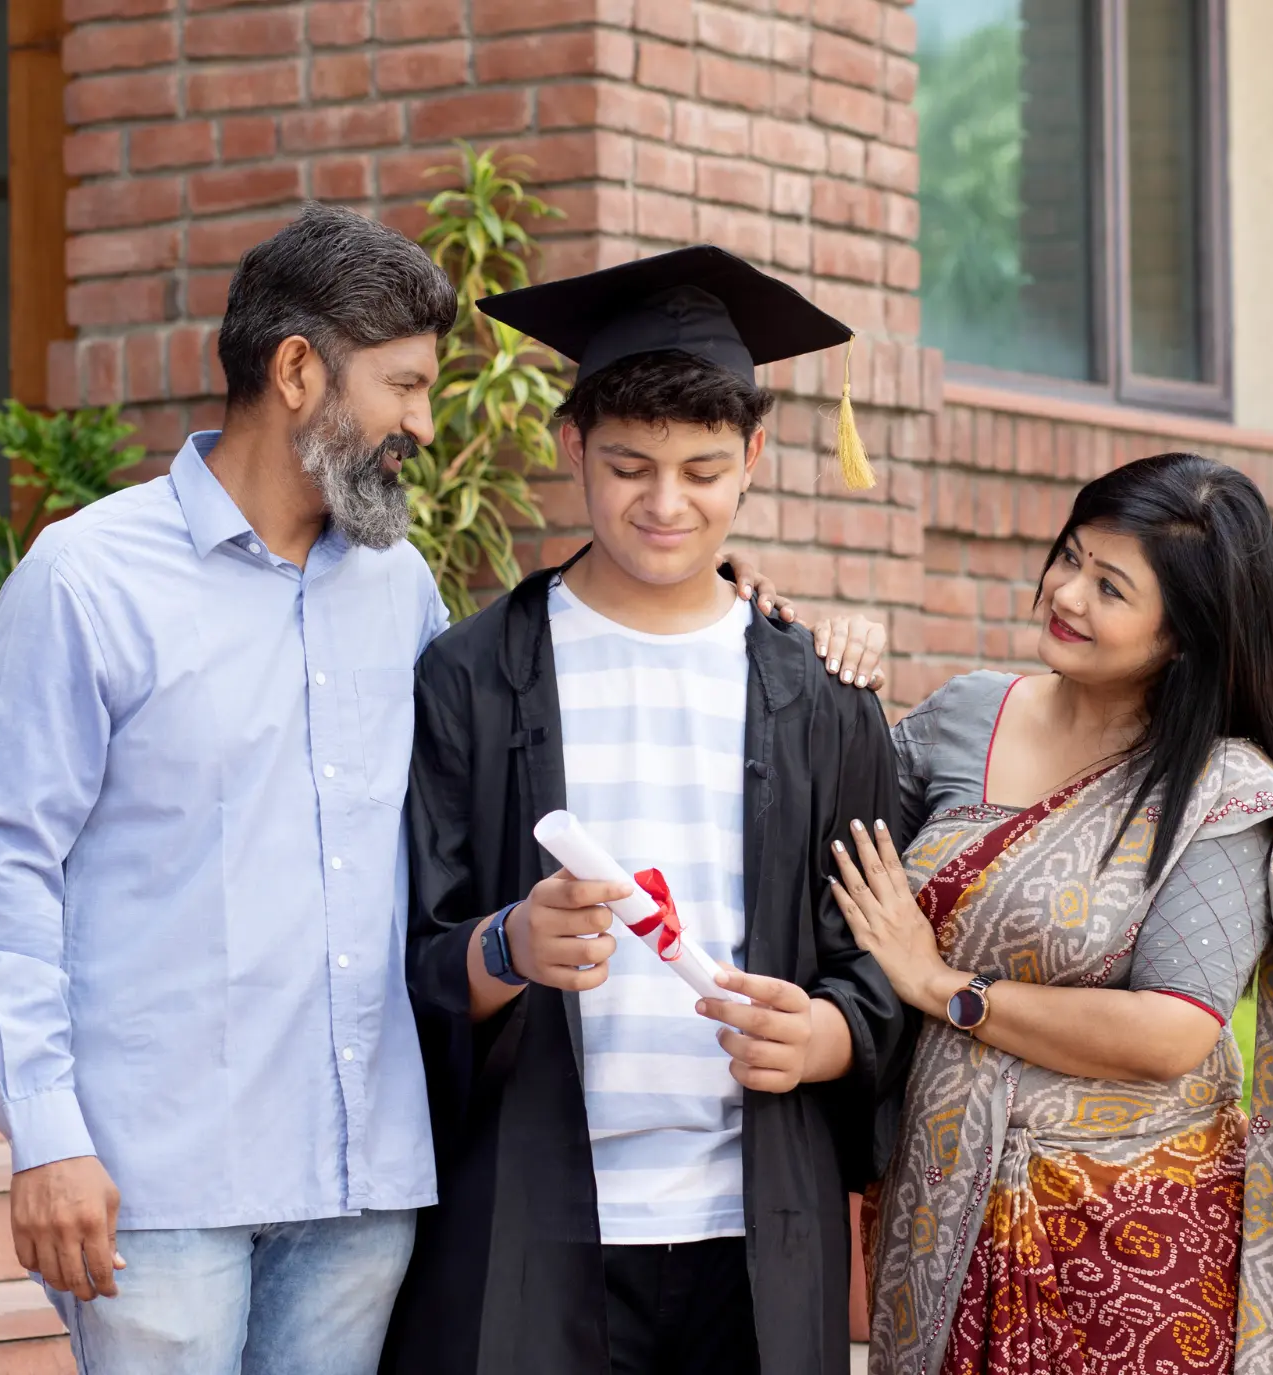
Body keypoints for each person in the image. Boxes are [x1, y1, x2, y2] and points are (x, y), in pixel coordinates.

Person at [382, 245, 919, 1375]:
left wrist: (822, 1037)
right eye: (628, 465)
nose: (665, 504)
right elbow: (403, 957)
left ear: (754, 460)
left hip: (754, 1227)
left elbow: (883, 962)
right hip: (523, 1226)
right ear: (570, 444)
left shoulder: (822, 698)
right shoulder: (471, 678)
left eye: (703, 469)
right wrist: (507, 944)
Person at [0, 204, 458, 1374]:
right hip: (156, 1185)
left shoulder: (401, 590)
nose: (423, 426)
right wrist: (42, 1137)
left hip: (360, 1182)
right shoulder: (88, 579)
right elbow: (4, 869)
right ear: (298, 371)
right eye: (403, 386)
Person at [827, 453, 1273, 1374]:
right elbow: (827, 825)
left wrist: (946, 988)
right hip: (934, 1194)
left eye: (1109, 586)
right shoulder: (966, 714)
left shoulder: (1219, 792)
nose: (1064, 594)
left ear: (1184, 634)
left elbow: (1171, 1031)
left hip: (1128, 1246)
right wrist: (812, 646)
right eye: (1069, 557)